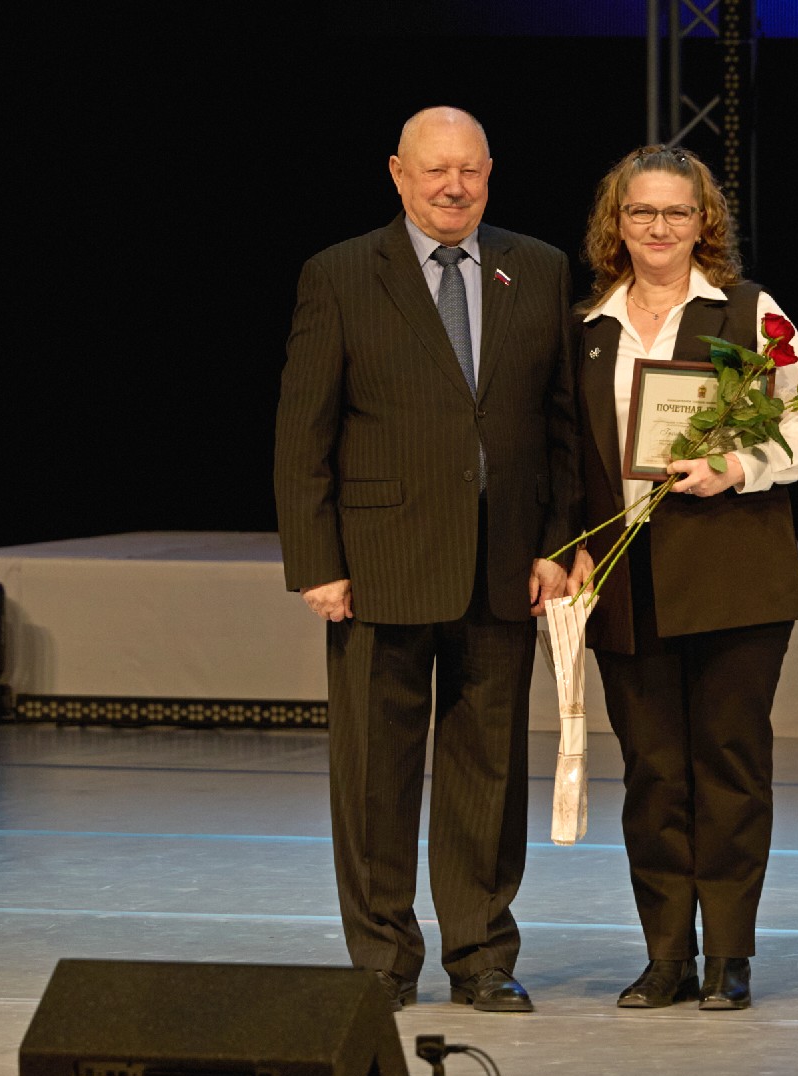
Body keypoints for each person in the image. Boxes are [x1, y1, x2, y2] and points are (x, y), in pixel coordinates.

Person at [273, 106, 581, 1013]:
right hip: (378, 564)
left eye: (470, 171)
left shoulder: (538, 267)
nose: (454, 187)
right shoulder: (339, 273)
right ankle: (382, 957)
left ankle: (481, 954)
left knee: (489, 773)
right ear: (398, 173)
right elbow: (303, 432)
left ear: (490, 173)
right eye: (436, 170)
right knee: (375, 774)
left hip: (503, 563)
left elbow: (563, 422)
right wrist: (317, 561)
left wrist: (558, 545)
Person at [566, 145, 798, 1010]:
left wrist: (738, 466)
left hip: (731, 574)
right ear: (616, 223)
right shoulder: (588, 327)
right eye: (641, 212)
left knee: (729, 764)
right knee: (652, 775)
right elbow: (565, 457)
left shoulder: (749, 312)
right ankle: (666, 955)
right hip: (625, 580)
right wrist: (567, 549)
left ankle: (728, 953)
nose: (659, 227)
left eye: (677, 212)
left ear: (703, 222)